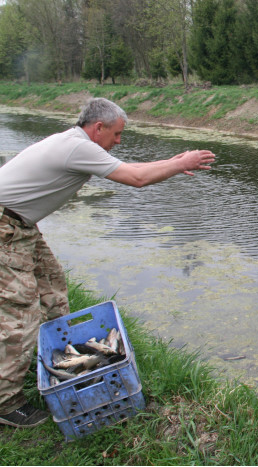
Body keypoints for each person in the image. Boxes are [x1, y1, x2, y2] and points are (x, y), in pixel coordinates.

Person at [0, 97, 215, 428]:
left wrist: (175, 161)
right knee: (20, 310)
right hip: (5, 227)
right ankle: (6, 401)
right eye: (116, 134)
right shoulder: (77, 148)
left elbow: (134, 168)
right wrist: (177, 163)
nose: (118, 141)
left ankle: (62, 360)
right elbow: (136, 178)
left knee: (53, 288)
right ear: (98, 128)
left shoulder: (75, 143)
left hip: (21, 226)